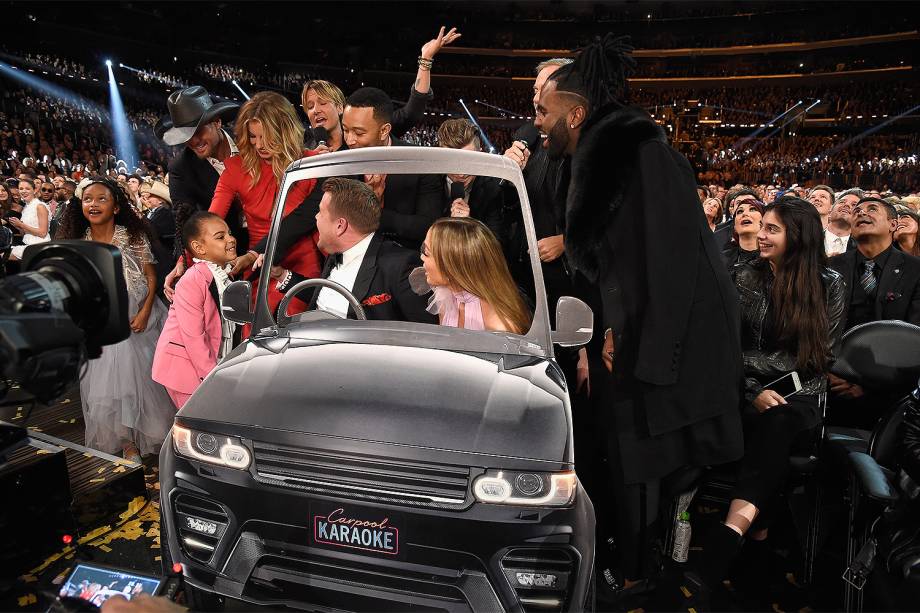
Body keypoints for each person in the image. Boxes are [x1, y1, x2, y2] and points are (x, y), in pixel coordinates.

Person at [535, 34, 743, 592]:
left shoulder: (643, 156)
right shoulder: (603, 159)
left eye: (544, 111)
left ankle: (637, 574)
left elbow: (669, 262)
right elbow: (620, 267)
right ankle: (633, 561)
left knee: (644, 454)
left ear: (576, 113)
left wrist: (635, 343)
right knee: (630, 453)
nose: (537, 122)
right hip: (635, 332)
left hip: (670, 339)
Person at [693, 197, 845, 599]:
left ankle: (726, 540)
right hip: (743, 393)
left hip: (801, 396)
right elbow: (722, 348)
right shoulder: (743, 276)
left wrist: (761, 381)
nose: (760, 235)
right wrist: (752, 390)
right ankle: (750, 544)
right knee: (770, 434)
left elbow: (815, 358)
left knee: (778, 424)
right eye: (762, 227)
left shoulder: (830, 285)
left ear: (798, 235)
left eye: (772, 229)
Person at [56, 178, 174, 461]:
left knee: (144, 378)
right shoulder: (79, 244)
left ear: (117, 206)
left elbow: (150, 275)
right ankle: (127, 443)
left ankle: (157, 435)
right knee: (111, 385)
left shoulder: (132, 237)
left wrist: (145, 310)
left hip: (138, 316)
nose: (93, 204)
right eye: (88, 199)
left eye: (101, 199)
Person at [205, 91, 322, 314]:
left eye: (265, 136)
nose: (258, 145)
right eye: (252, 136)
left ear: (284, 131)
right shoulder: (235, 169)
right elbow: (211, 222)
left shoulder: (311, 164)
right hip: (257, 265)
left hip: (301, 263)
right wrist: (192, 261)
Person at [270, 177, 434, 324]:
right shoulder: (336, 253)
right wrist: (282, 275)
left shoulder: (401, 267)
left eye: (320, 212)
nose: (316, 217)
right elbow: (333, 295)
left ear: (340, 226)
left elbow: (426, 335)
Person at [827, 197, 920, 427]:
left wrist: (870, 385)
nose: (861, 213)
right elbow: (813, 326)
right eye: (857, 211)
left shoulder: (915, 271)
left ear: (893, 224)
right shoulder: (829, 267)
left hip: (893, 396)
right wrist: (829, 373)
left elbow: (914, 339)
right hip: (833, 386)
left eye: (872, 209)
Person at [303, 26, 461, 151]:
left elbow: (412, 111)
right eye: (309, 106)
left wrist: (425, 60)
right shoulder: (304, 148)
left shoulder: (370, 125)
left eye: (322, 103)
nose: (315, 110)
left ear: (339, 107)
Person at [503, 58, 574, 317]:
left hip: (567, 278)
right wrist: (510, 175)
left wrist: (567, 242)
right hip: (523, 269)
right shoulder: (527, 135)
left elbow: (610, 217)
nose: (536, 98)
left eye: (544, 89)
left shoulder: (584, 146)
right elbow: (510, 207)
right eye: (534, 90)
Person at [153, 212, 237, 409]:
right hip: (186, 370)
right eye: (220, 236)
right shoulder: (193, 279)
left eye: (230, 233)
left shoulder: (225, 275)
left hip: (211, 362)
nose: (231, 239)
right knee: (200, 421)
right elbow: (193, 337)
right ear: (199, 248)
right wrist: (211, 378)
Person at [156, 86, 247, 254]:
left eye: (198, 130)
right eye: (186, 135)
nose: (193, 141)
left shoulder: (249, 140)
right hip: (230, 252)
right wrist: (183, 259)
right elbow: (183, 221)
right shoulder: (181, 168)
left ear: (217, 122)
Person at [421, 217, 530, 333]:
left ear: (453, 267)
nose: (421, 257)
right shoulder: (446, 296)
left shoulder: (501, 327)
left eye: (426, 253)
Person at [436, 119, 504, 238]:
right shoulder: (427, 180)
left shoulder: (492, 188)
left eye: (469, 162)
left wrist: (471, 226)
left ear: (480, 156)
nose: (461, 174)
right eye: (452, 163)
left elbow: (496, 244)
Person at [8, 178, 50, 260]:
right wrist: (18, 227)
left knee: (3, 255)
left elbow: (42, 233)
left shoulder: (40, 206)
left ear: (34, 191)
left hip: (39, 246)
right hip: (27, 244)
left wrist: (21, 224)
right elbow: (25, 234)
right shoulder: (26, 208)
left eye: (27, 188)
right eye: (21, 189)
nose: (23, 191)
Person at [721, 199, 765, 268]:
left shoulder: (776, 258)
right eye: (740, 211)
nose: (744, 214)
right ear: (734, 226)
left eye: (752, 209)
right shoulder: (720, 259)